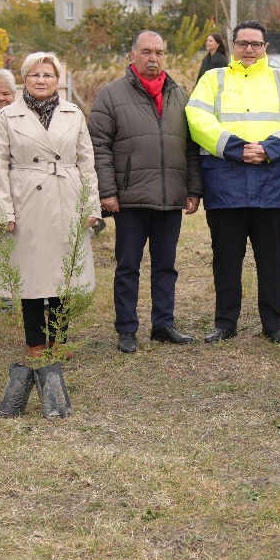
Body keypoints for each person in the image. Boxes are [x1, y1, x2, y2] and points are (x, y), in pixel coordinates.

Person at [186, 20, 280, 345]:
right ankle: (225, 323)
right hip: (225, 186)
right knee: (226, 261)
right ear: (233, 45)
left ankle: (275, 325)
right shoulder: (212, 79)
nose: (249, 49)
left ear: (265, 47)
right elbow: (197, 118)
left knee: (272, 261)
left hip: (272, 187)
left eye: (255, 44)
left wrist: (270, 149)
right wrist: (236, 148)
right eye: (243, 43)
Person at [0, 52, 99, 419]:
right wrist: (4, 209)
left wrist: (90, 205)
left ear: (57, 80)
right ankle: (36, 342)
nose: (41, 80)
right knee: (33, 274)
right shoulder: (7, 116)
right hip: (26, 199)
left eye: (47, 74)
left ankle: (59, 339)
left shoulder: (72, 114)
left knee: (63, 270)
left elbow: (87, 161)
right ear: (24, 79)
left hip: (67, 195)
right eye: (34, 74)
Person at [89, 31, 203, 352]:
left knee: (166, 265)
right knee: (128, 266)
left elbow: (191, 147)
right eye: (147, 52)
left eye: (159, 52)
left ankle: (163, 324)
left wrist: (193, 188)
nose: (154, 58)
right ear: (132, 55)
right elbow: (99, 147)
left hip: (170, 197)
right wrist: (107, 192)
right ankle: (127, 329)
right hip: (129, 198)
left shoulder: (180, 95)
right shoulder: (110, 95)